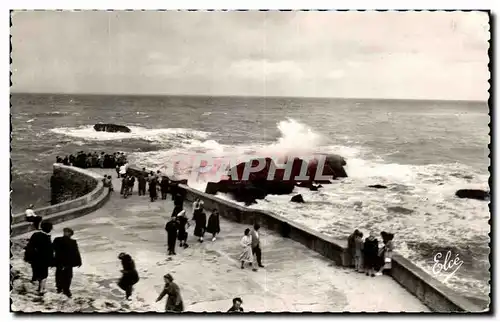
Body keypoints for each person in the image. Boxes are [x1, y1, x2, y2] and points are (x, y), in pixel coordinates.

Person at [24, 221, 54, 295]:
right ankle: (41, 289)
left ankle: (39, 288)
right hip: (43, 259)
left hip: (35, 258)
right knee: (44, 274)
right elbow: (50, 251)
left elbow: (29, 246)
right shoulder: (47, 237)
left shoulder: (36, 234)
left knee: (38, 273)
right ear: (49, 229)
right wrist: (51, 261)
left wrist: (28, 258)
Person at [53, 228, 82, 298]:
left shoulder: (58, 240)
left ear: (70, 234)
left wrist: (79, 261)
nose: (65, 233)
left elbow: (76, 252)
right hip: (66, 261)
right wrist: (79, 261)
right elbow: (76, 252)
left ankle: (62, 289)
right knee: (66, 275)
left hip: (63, 261)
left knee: (63, 275)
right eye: (65, 231)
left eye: (66, 232)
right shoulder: (60, 240)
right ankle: (64, 289)